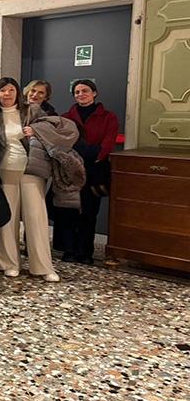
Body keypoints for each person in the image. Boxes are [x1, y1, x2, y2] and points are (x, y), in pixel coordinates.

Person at [0, 77, 60, 282]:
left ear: (18, 92)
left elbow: (52, 130)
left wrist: (36, 131)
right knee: (7, 219)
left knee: (36, 218)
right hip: (5, 171)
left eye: (11, 90)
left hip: (31, 169)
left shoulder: (31, 110)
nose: (7, 94)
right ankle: (9, 264)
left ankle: (43, 266)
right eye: (2, 90)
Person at [56, 79, 119, 265]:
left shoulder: (108, 117)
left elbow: (108, 142)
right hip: (71, 170)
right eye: (77, 92)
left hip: (94, 169)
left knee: (89, 213)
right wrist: (79, 154)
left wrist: (94, 154)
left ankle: (85, 252)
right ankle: (69, 250)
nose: (81, 94)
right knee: (69, 211)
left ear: (94, 93)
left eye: (85, 91)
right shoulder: (66, 117)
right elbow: (63, 141)